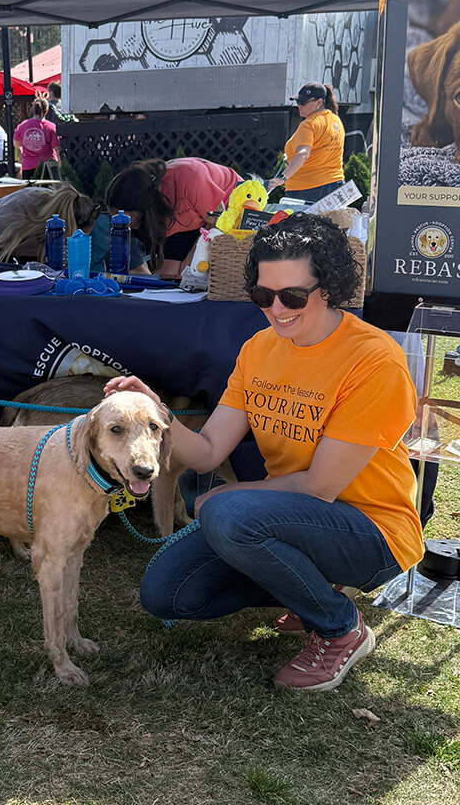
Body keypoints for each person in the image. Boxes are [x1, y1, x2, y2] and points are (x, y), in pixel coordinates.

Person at [106, 214, 421, 691]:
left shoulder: (374, 360)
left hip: (372, 530)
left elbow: (322, 486)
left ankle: (340, 627)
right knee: (167, 593)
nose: (277, 309)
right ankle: (310, 588)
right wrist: (158, 412)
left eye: (292, 296)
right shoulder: (259, 348)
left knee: (230, 514)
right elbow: (208, 452)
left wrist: (227, 500)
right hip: (288, 517)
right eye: (263, 296)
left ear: (330, 287)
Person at [106, 157, 242, 279]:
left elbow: (218, 227)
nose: (119, 223)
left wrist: (190, 260)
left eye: (123, 217)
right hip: (188, 219)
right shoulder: (154, 210)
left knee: (191, 274)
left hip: (229, 216)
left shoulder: (190, 180)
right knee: (167, 276)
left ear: (141, 206)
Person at [277, 82, 345, 201]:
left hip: (306, 189)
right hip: (335, 185)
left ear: (319, 102)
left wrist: (282, 178)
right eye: (297, 102)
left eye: (303, 103)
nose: (299, 106)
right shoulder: (336, 121)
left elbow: (303, 154)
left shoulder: (308, 124)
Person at [14, 98, 59, 179]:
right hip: (46, 167)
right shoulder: (51, 127)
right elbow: (57, 148)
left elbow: (16, 143)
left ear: (33, 110)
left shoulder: (23, 126)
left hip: (28, 166)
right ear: (46, 111)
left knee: (30, 190)